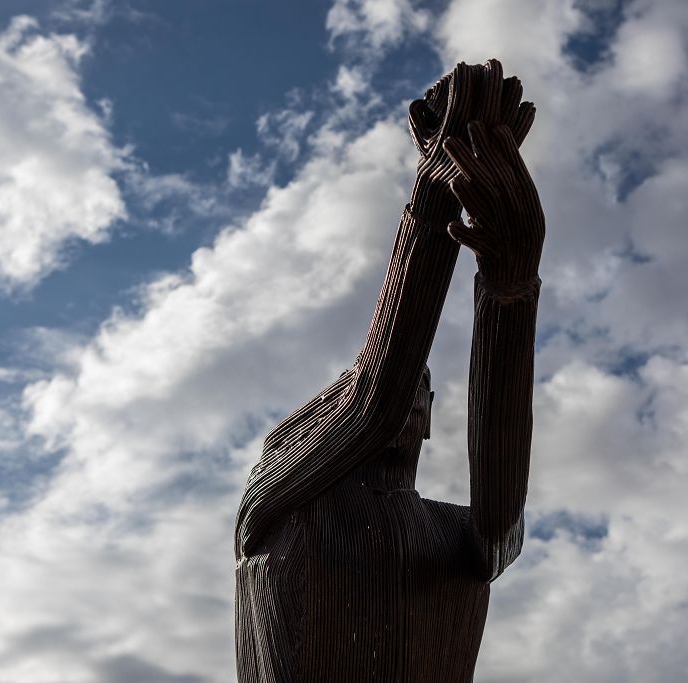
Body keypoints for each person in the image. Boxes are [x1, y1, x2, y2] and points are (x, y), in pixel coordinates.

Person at [234, 59, 545, 682]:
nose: (413, 399)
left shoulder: (455, 534)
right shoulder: (286, 492)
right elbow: (376, 393)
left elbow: (503, 527)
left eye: (425, 395)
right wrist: (432, 197)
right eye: (409, 385)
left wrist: (510, 284)